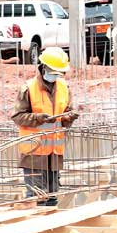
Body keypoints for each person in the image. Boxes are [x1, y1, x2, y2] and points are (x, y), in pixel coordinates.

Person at [11, 47, 79, 206]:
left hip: (54, 153)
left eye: (59, 72)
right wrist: (38, 118)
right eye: (55, 71)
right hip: (34, 153)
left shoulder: (64, 88)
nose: (57, 75)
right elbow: (17, 116)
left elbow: (64, 117)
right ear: (44, 67)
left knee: (52, 197)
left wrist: (69, 118)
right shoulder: (28, 88)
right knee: (37, 198)